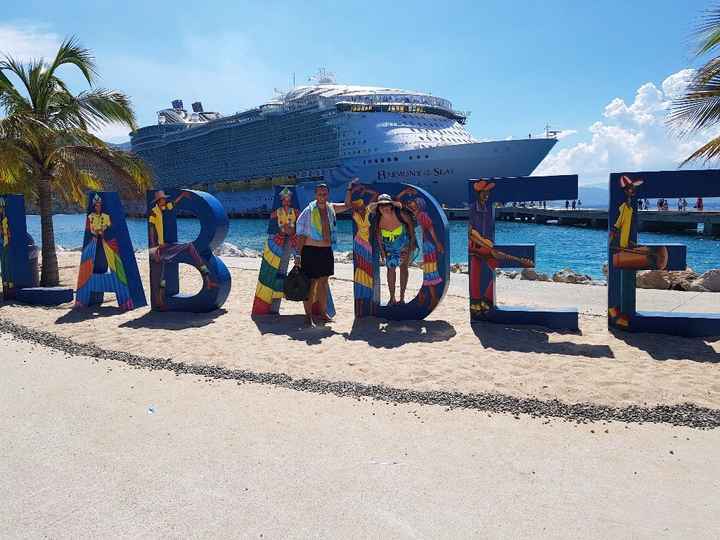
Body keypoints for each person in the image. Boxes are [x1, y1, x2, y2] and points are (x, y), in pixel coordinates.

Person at [148, 190, 218, 310]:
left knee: (164, 273)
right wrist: (154, 248)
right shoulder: (153, 213)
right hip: (159, 248)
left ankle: (207, 279)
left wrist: (181, 196)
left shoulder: (162, 209)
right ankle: (159, 301)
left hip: (165, 246)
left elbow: (172, 205)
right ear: (159, 201)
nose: (165, 201)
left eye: (165, 199)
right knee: (161, 276)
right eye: (163, 199)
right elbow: (151, 231)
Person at [296, 183, 351, 326]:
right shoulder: (308, 211)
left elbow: (347, 205)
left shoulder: (331, 208)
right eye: (320, 194)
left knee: (324, 283)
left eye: (325, 194)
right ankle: (308, 316)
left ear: (328, 194)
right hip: (310, 251)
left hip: (326, 251)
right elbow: (301, 235)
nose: (322, 196)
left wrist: (349, 188)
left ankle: (323, 313)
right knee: (311, 284)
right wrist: (298, 255)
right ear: (315, 195)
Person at [372, 193, 416, 305]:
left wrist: (411, 245)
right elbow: (378, 235)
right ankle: (392, 298)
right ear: (378, 207)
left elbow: (411, 227)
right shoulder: (378, 219)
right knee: (390, 270)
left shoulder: (400, 214)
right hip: (389, 249)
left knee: (403, 268)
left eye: (386, 204)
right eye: (381, 205)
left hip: (403, 246)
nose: (384, 207)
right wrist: (382, 251)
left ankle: (402, 297)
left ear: (391, 205)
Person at [348, 182, 379, 315]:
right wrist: (351, 189)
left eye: (361, 205)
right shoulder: (354, 215)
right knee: (361, 269)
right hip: (358, 242)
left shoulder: (367, 210)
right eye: (358, 206)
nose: (360, 207)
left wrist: (365, 190)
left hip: (367, 244)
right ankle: (360, 307)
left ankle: (368, 304)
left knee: (368, 269)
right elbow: (348, 204)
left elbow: (376, 195)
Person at [0, 197, 13, 295]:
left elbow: (7, 231)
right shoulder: (3, 218)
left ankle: (8, 285)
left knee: (6, 264)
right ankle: (7, 285)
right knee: (5, 264)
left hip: (5, 242)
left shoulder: (4, 218)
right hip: (3, 242)